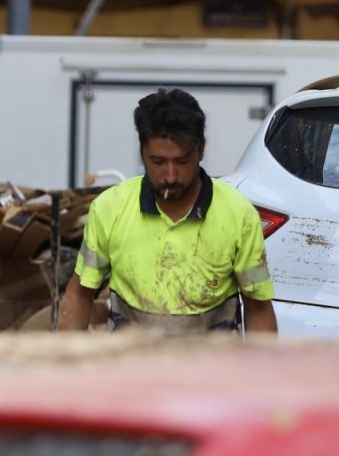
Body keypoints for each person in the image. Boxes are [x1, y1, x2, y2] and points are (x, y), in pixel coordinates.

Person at [58, 88, 277, 335]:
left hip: (213, 370)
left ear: (201, 151)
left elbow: (258, 307)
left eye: (182, 162)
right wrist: (64, 366)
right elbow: (80, 292)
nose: (170, 176)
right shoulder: (109, 209)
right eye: (158, 162)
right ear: (142, 154)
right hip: (131, 368)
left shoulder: (240, 216)